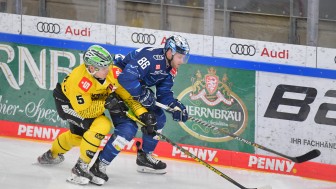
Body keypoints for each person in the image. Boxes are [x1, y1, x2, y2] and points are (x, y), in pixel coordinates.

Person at [37, 45, 154, 186]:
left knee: (78, 138)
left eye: (109, 65)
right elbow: (86, 112)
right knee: (102, 124)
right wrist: (107, 103)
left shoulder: (111, 72)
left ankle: (51, 154)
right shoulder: (79, 81)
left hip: (90, 105)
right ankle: (80, 168)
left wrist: (143, 114)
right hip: (68, 104)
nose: (109, 70)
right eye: (104, 68)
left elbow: (128, 98)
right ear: (91, 69)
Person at [92, 35, 190, 183]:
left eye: (184, 57)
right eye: (180, 57)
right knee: (127, 129)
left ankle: (144, 157)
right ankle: (99, 166)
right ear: (169, 52)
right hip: (115, 85)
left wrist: (174, 106)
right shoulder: (151, 57)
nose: (182, 61)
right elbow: (125, 78)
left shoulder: (171, 68)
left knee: (158, 119)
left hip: (134, 91)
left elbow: (164, 95)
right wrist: (143, 93)